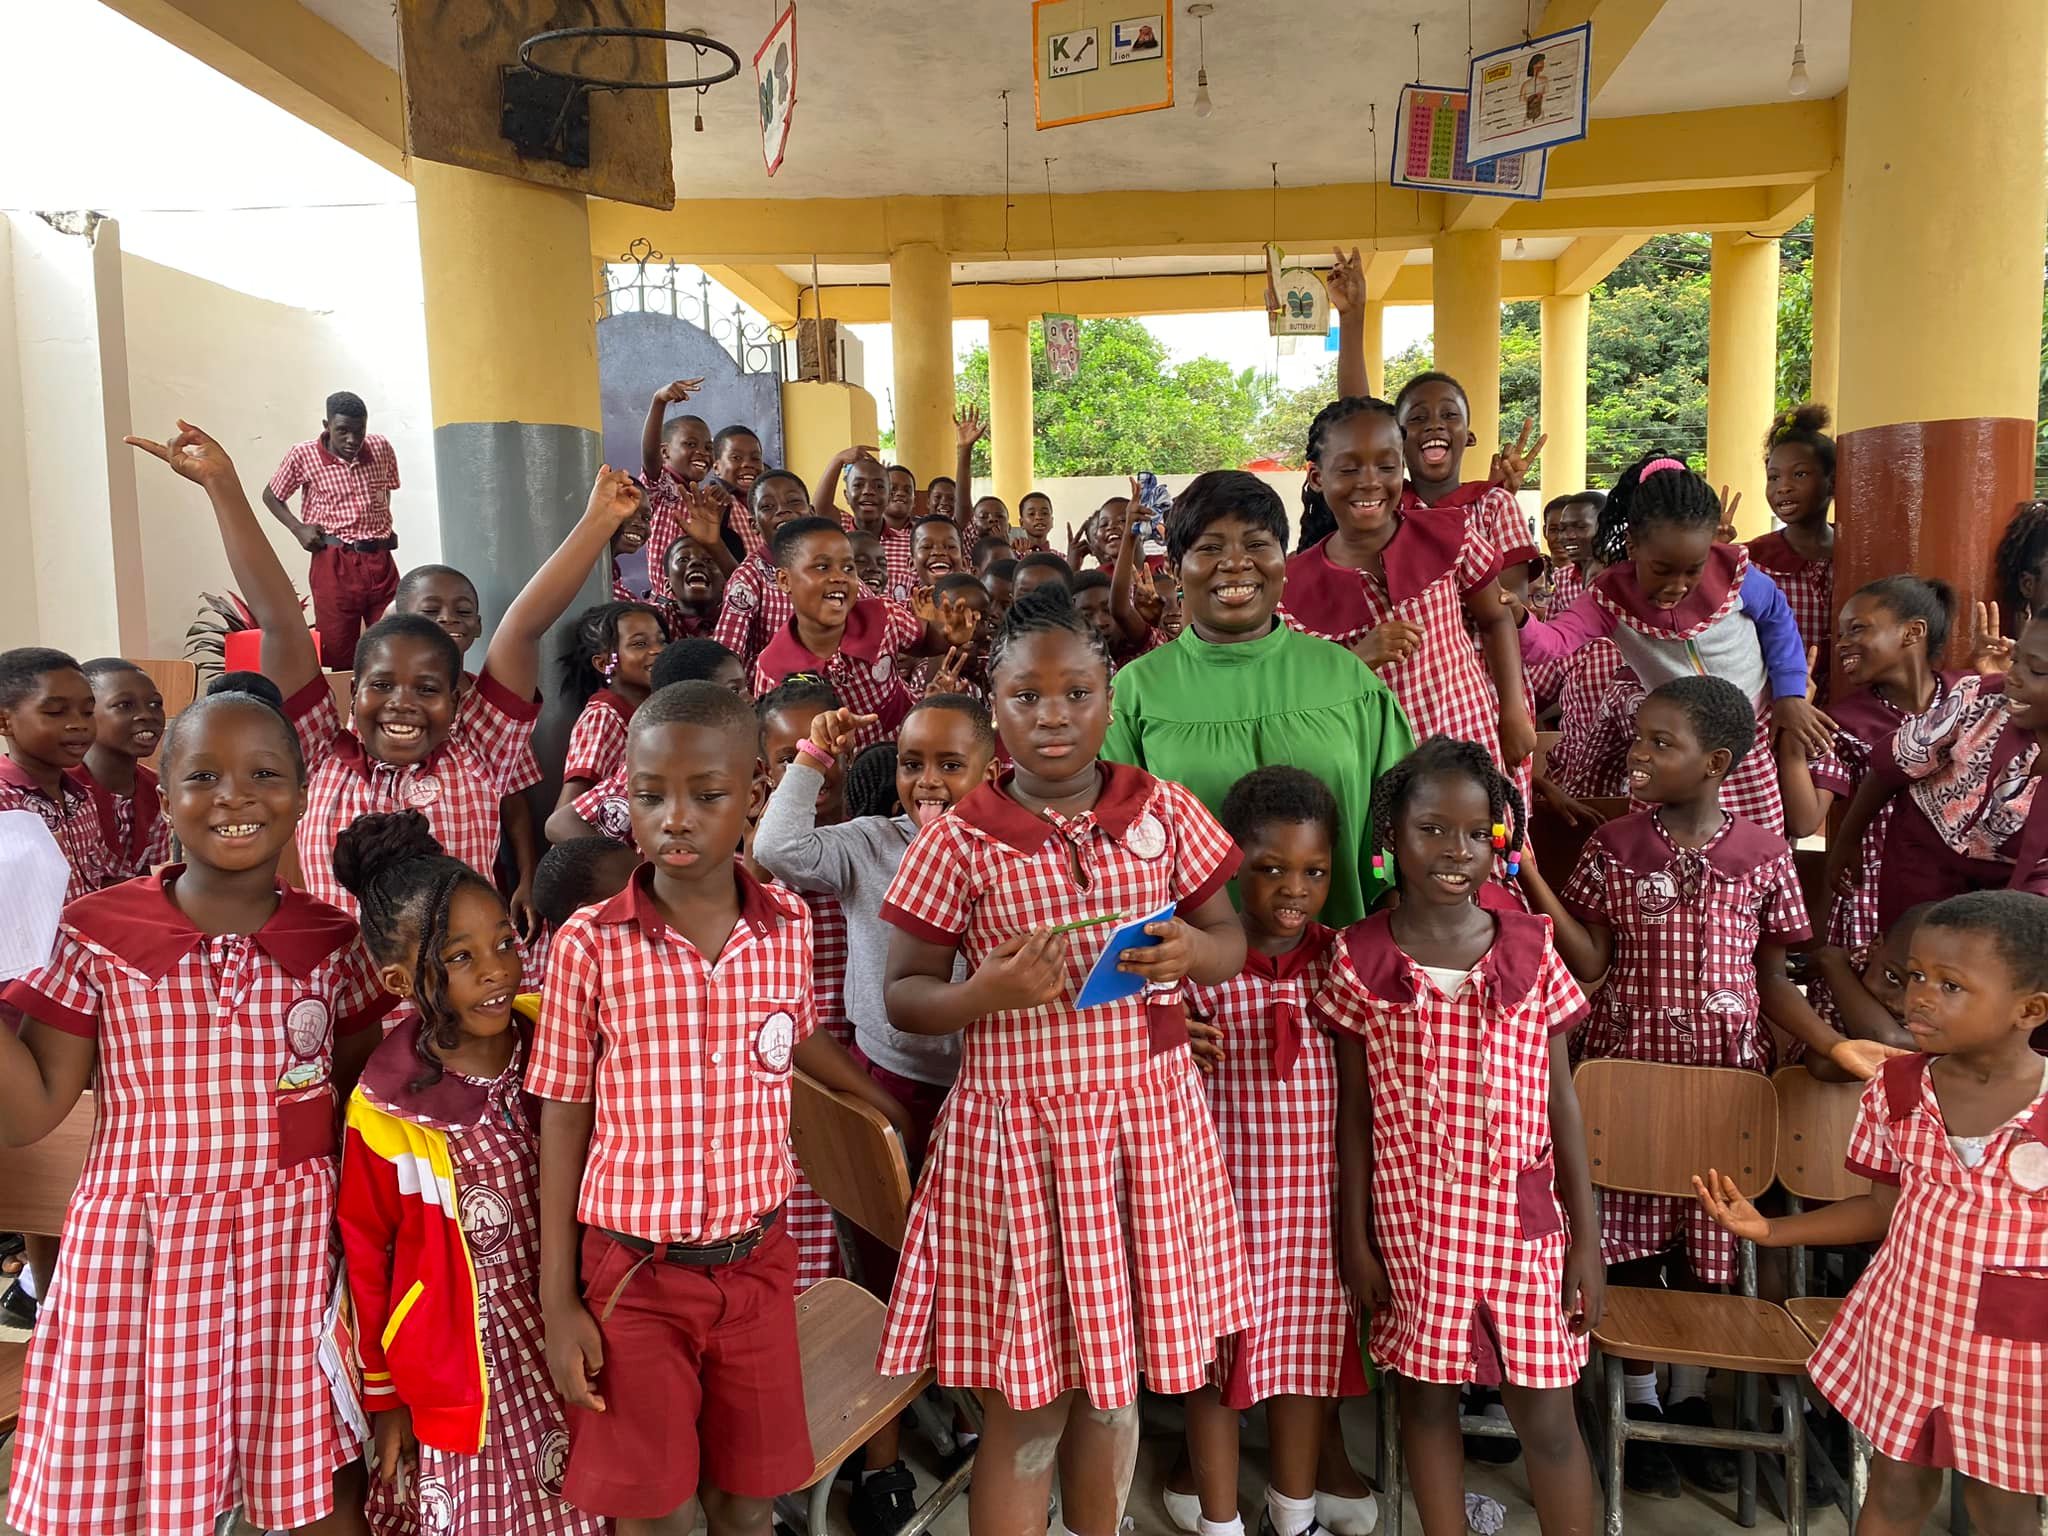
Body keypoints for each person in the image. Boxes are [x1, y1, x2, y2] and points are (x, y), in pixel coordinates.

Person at [876, 583, 1252, 1536]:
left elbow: (1230, 936)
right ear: (992, 707)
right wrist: (982, 995)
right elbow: (905, 993)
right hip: (1020, 1146)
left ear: (1110, 698)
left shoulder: (1162, 811)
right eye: (1027, 698)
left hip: (1147, 1132)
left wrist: (1191, 955)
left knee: (1114, 1387)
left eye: (1077, 694)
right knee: (1028, 1393)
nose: (1054, 718)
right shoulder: (958, 839)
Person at [0, 679, 394, 1536]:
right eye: (204, 778)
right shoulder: (95, 933)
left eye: (263, 775)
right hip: (140, 1251)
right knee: (131, 1487)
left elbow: (361, 1105)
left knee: (314, 1480)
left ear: (300, 796)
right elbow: (28, 1115)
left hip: (292, 1250)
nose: (236, 797)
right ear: (164, 797)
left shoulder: (333, 939)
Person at [528, 680, 908, 1532]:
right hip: (635, 1274)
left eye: (706, 796)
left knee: (747, 1500)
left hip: (758, 1268)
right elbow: (562, 1114)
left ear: (751, 798)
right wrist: (560, 1301)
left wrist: (876, 1098)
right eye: (650, 795)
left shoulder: (781, 929)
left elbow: (796, 1034)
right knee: (655, 1511)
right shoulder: (591, 945)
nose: (676, 818)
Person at [1517, 675, 1893, 1496]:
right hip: (1625, 1072)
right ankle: (1639, 1400)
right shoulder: (1615, 844)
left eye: (1660, 743)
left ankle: (1692, 1411)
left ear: (1717, 762)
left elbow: (1774, 983)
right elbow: (1590, 962)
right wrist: (1529, 881)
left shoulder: (1763, 856)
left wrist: (1834, 1044)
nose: (1638, 755)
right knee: (1632, 1248)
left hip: (1728, 1084)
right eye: (1638, 739)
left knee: (1708, 1248)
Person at [139, 419, 625, 920]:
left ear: (457, 703)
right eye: (383, 684)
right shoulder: (320, 752)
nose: (403, 702)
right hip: (337, 992)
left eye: (428, 688)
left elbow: (523, 627)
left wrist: (597, 523)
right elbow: (282, 620)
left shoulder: (480, 749)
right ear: (353, 695)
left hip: (451, 990)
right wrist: (223, 485)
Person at [1317, 737, 1602, 1536]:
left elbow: (1563, 1105)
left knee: (1547, 1419)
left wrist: (1587, 1240)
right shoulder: (1358, 959)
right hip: (1417, 1229)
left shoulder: (1532, 950)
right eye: (1433, 831)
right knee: (1427, 1404)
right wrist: (1357, 1241)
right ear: (1390, 842)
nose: (1456, 852)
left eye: (1478, 835)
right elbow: (1354, 1118)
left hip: (1525, 1229)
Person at [1697, 889, 2048, 1523]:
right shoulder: (1897, 1086)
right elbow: (1882, 1208)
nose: (1919, 996)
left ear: (2030, 1008)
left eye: (1951, 985)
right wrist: (1771, 1230)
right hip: (1909, 1320)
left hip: (2018, 1346)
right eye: (1915, 975)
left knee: (2003, 1506)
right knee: (1894, 1485)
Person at [755, 692, 1000, 1536]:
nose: (925, 782)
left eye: (949, 765)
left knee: (978, 1271)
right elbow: (777, 846)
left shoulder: (1009, 847)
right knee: (888, 1276)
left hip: (987, 1090)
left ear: (992, 770)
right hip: (886, 1081)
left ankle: (975, 1408)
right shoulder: (869, 845)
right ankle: (885, 1458)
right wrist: (813, 759)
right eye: (911, 764)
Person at [334, 812, 605, 1536]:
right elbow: (368, 1255)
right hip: (462, 1365)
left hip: (571, 1325)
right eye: (458, 957)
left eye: (505, 943)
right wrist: (386, 1399)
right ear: (398, 980)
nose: (496, 970)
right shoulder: (383, 1107)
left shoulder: (556, 1037)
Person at [1173, 768, 1372, 1536]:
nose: (1295, 888)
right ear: (1230, 866)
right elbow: (1134, 1037)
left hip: (1310, 1227)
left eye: (1315, 871)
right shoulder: (1196, 964)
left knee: (1305, 1369)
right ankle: (1221, 1523)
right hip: (1214, 1216)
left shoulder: (1340, 963)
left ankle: (1294, 1519)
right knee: (1212, 1374)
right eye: (1270, 869)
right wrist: (1167, 1039)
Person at [1103, 471, 1414, 928]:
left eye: (1256, 544)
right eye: (1209, 547)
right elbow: (1114, 847)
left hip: (1339, 965)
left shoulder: (1347, 678)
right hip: (1191, 975)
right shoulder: (1136, 692)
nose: (1235, 563)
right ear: (1175, 568)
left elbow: (1397, 827)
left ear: (1284, 562)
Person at [1517, 454, 1830, 835]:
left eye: (1693, 569)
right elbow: (1553, 642)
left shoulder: (1733, 570)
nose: (1677, 586)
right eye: (1662, 570)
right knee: (1666, 841)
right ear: (1633, 547)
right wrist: (1518, 621)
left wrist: (1790, 693)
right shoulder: (1609, 596)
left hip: (1751, 735)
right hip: (1675, 747)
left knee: (1754, 844)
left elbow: (1778, 618)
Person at [1280, 396, 1536, 782]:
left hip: (1468, 739)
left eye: (1387, 466)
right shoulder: (1292, 586)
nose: (1370, 482)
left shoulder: (1449, 534)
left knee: (1484, 839)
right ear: (1317, 477)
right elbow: (1297, 693)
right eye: (1349, 469)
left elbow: (1496, 617)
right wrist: (1358, 658)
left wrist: (1512, 711)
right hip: (1372, 766)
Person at [1776, 579, 1962, 1028]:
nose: (1843, 644)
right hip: (1870, 894)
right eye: (1841, 633)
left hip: (1954, 889)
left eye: (1858, 630)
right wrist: (1792, 734)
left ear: (1912, 633)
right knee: (1864, 1030)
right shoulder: (1847, 720)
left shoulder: (1967, 697)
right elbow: (1805, 818)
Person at [1825, 615, 2048, 926]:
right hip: (1925, 848)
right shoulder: (1978, 699)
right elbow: (1892, 766)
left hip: (2021, 875)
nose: (2014, 677)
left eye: (2036, 670)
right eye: (2016, 660)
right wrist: (1847, 840)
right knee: (1914, 949)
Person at [392, 564, 545, 944]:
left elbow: (514, 800)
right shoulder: (385, 706)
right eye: (430, 612)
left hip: (476, 881)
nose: (447, 619)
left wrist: (528, 877)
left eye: (463, 612)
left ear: (478, 626)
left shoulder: (489, 710)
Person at [750, 518, 977, 753]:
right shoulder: (773, 668)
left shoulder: (882, 615)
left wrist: (947, 636)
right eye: (822, 567)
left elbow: (924, 641)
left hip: (907, 741)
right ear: (785, 580)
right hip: (839, 766)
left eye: (848, 568)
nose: (840, 577)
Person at [546, 640, 751, 847]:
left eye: (745, 687)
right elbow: (561, 823)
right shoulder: (660, 764)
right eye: (734, 690)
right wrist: (632, 871)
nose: (750, 698)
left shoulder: (743, 749)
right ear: (692, 702)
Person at [264, 390, 402, 672]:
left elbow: (386, 490)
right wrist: (298, 528)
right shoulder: (303, 455)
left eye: (359, 431)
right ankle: (344, 712)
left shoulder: (381, 448)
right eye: (343, 431)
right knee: (339, 650)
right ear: (326, 426)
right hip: (334, 561)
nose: (352, 440)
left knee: (393, 640)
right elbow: (271, 495)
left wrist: (380, 525)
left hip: (380, 559)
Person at [0, 648, 117, 901]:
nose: (79, 724)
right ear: (4, 722)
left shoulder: (82, 797)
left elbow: (99, 877)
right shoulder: (4, 804)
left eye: (87, 712)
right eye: (55, 712)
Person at [1748, 405, 1837, 690]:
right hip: (1779, 701)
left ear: (1832, 482)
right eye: (1774, 477)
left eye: (1799, 475)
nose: (1782, 487)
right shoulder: (1753, 560)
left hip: (1847, 702)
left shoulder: (1858, 554)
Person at [713, 470, 814, 676]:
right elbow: (727, 649)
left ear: (811, 512)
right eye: (767, 507)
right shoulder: (749, 578)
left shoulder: (829, 564)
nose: (782, 511)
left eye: (794, 501)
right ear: (754, 525)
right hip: (773, 693)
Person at [76, 658, 168, 881]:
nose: (147, 714)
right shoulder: (63, 792)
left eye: (155, 704)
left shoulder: (155, 788)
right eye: (125, 705)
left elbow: (144, 879)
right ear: (85, 715)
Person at [1540, 491, 1603, 616]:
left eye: (1580, 527)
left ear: (1603, 527)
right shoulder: (1562, 579)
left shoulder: (1625, 576)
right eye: (1561, 529)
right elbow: (1553, 630)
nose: (1567, 536)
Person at [659, 535, 726, 640]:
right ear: (668, 584)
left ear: (725, 584)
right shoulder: (656, 618)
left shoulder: (738, 617)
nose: (696, 562)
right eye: (683, 559)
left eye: (709, 560)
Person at [911, 514, 966, 585]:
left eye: (950, 546)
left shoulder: (976, 596)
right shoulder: (907, 596)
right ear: (911, 564)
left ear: (964, 563)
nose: (938, 552)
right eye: (926, 546)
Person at [1015, 491, 1056, 557]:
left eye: (1044, 513)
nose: (1039, 517)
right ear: (1021, 523)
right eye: (1031, 514)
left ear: (1052, 521)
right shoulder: (1014, 556)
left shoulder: (1060, 558)